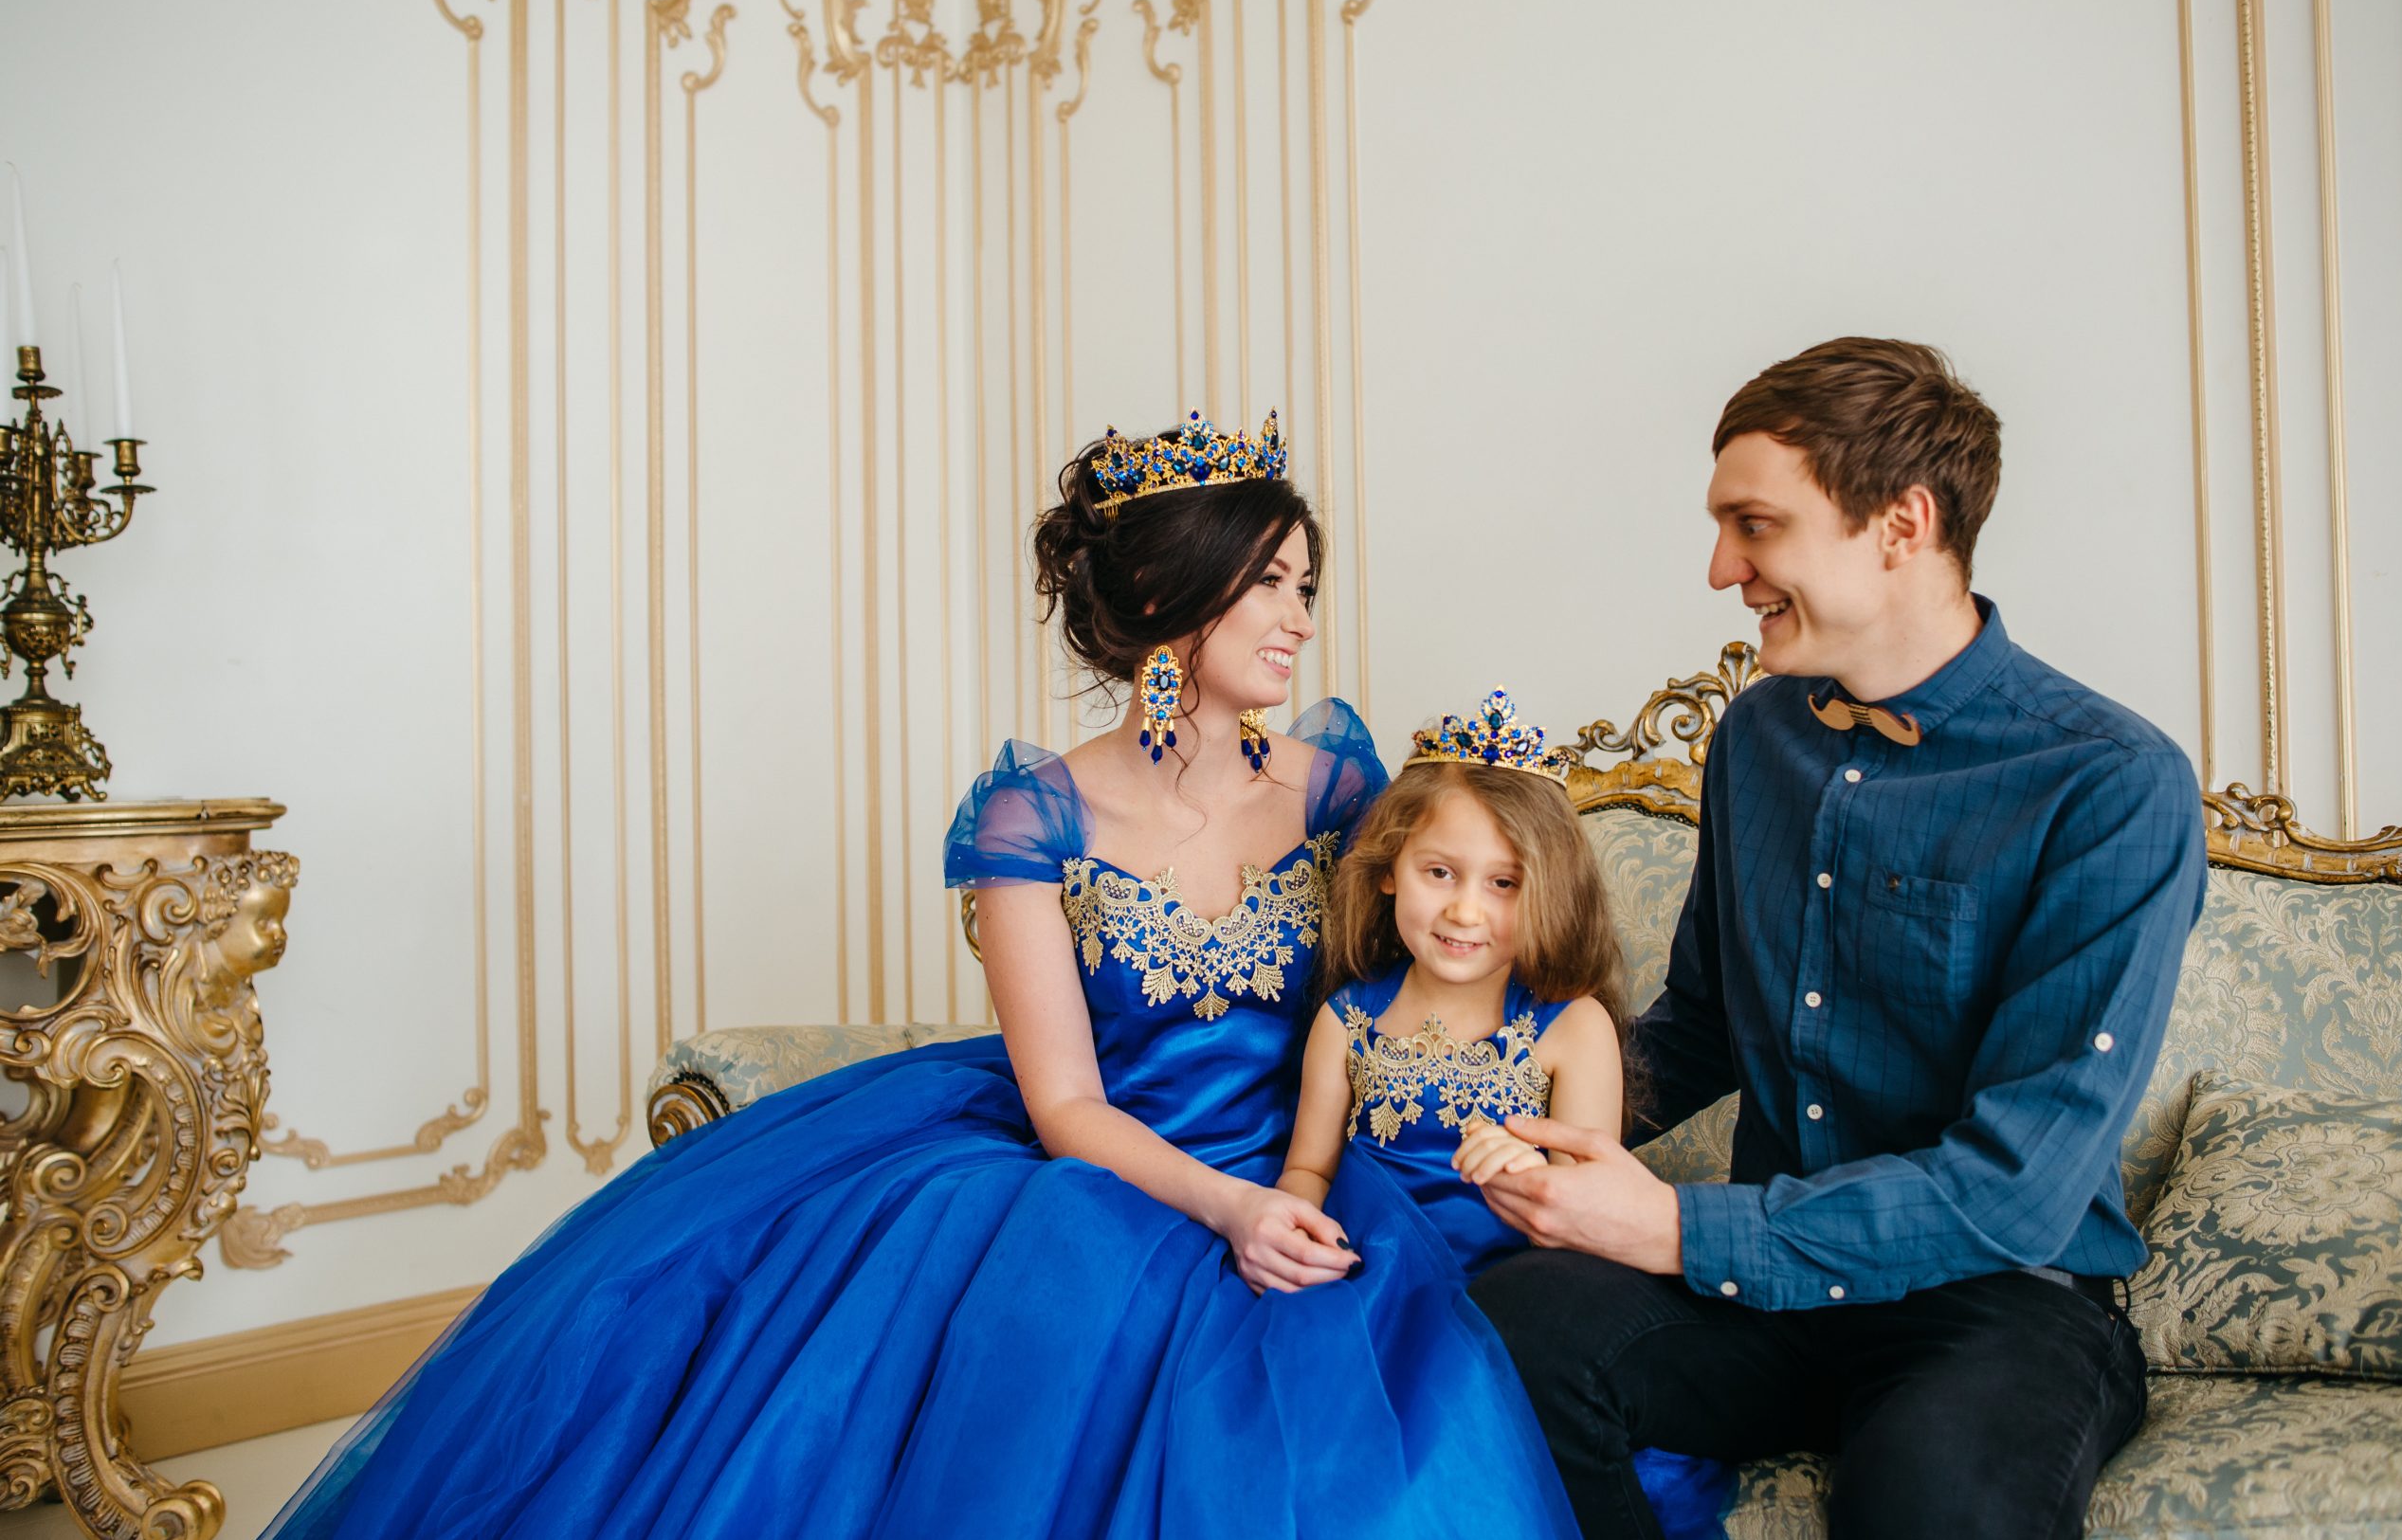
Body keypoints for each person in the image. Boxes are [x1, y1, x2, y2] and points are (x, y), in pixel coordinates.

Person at [264, 411, 1582, 1540]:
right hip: (1108, 1166)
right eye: (1273, 583)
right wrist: (1229, 1214)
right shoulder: (1034, 820)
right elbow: (1065, 1106)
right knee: (1027, 1332)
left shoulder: (1344, 789)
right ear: (1176, 600)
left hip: (1303, 1149)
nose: (1301, 616)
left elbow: (1422, 987)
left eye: (1306, 583)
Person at [1465, 339, 2210, 1540]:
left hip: (1995, 1300)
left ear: (1901, 523)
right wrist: (1506, 1114)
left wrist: (1668, 1223)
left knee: (1937, 1504)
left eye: (1753, 525)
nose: (1721, 569)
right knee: (1494, 1332)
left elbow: (2016, 1184)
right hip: (1759, 1292)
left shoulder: (2109, 784)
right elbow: (1700, 1026)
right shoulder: (1757, 737)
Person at [1274, 690, 1730, 1540]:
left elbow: (1592, 1205)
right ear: (1387, 868)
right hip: (1369, 1291)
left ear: (1546, 892)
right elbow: (1311, 1167)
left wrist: (1532, 1174)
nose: (1465, 910)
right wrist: (1295, 1223)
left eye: (1504, 883)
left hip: (1520, 1302)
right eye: (1438, 872)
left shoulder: (1572, 1024)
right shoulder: (1346, 1021)